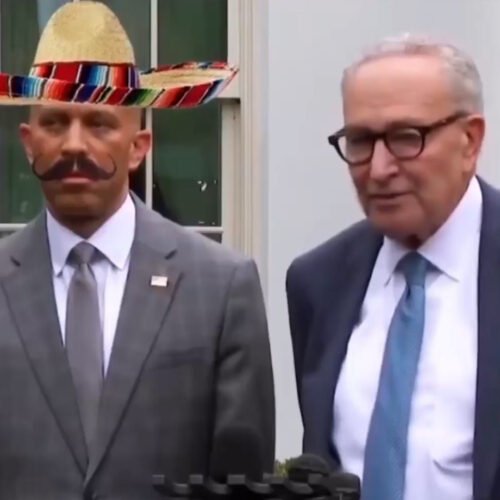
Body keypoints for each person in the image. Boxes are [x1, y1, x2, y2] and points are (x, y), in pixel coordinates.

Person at [0, 2, 275, 499]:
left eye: (100, 123)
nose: (74, 145)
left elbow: (242, 479)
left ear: (138, 146)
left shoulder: (221, 286)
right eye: (55, 123)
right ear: (28, 142)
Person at [286, 33, 500, 500]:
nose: (378, 169)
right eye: (360, 141)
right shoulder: (317, 283)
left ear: (470, 141)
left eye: (407, 138)